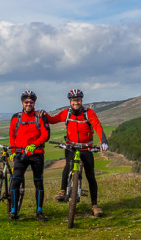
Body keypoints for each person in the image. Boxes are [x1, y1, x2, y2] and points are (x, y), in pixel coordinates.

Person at [43, 89, 108, 217]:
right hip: (71, 146)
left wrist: (103, 140)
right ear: (70, 102)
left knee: (91, 176)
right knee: (68, 165)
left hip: (86, 148)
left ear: (81, 101)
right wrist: (43, 114)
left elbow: (97, 126)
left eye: (78, 100)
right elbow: (52, 119)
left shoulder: (88, 113)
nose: (76, 103)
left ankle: (94, 205)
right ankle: (62, 190)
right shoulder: (66, 113)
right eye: (73, 100)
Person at [8, 90, 50, 221]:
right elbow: (12, 133)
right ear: (22, 103)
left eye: (31, 102)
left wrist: (35, 144)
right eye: (26, 102)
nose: (28, 104)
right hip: (20, 154)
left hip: (36, 154)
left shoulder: (40, 116)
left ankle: (39, 211)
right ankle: (13, 211)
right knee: (15, 181)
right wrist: (14, 150)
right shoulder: (16, 117)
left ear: (34, 103)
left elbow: (46, 135)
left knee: (38, 182)